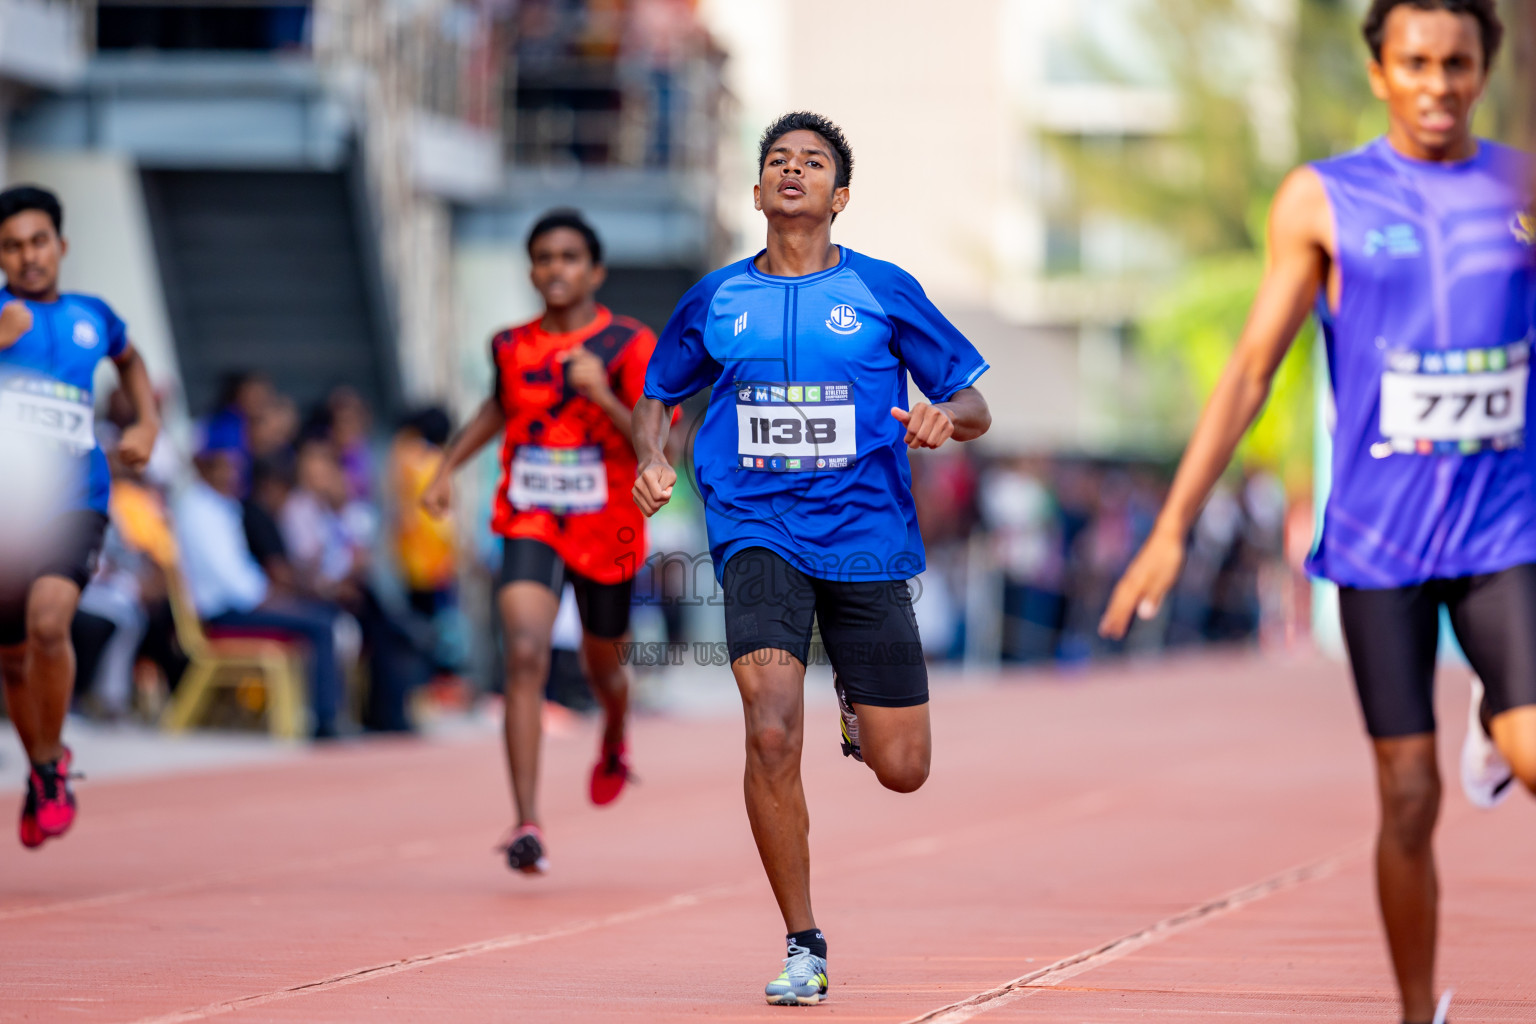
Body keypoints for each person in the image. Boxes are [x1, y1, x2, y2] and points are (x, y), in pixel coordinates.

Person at [1098, 4, 1534, 1023]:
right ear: (1380, 72)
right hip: (1381, 541)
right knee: (1410, 796)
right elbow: (1252, 368)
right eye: (1417, 63)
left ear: (1486, 69)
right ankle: (1419, 1008)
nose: (1439, 84)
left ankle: (1496, 711)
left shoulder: (1521, 188)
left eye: (1458, 64)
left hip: (1505, 526)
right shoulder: (1323, 199)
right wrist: (1170, 527)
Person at [632, 112, 991, 1006]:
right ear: (757, 192)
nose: (793, 172)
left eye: (813, 163)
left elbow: (972, 398)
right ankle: (803, 940)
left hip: (865, 537)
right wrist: (653, 454)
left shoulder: (883, 290)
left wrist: (949, 418)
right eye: (778, 162)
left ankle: (854, 701)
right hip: (755, 529)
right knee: (766, 725)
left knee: (904, 768)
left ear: (839, 196)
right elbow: (659, 390)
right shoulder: (715, 298)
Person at [421, 209, 665, 874]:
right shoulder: (508, 344)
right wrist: (446, 468)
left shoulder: (627, 342)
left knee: (603, 668)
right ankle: (526, 821)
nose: (555, 269)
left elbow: (653, 434)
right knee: (523, 652)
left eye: (568, 258)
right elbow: (496, 409)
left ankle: (614, 729)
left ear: (595, 271)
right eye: (544, 258)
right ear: (532, 270)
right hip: (530, 515)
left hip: (607, 521)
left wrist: (601, 394)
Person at [0, 185, 160, 848]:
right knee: (10, 661)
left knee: (47, 625)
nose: (27, 256)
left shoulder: (95, 316)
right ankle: (44, 768)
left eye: (38, 241)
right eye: (11, 246)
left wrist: (147, 422)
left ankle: (50, 762)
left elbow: (132, 363)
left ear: (60, 246)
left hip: (77, 500)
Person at [174, 445, 345, 738]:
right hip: (225, 613)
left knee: (321, 616)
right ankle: (326, 722)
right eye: (223, 467)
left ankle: (325, 715)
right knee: (320, 625)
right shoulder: (198, 510)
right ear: (204, 467)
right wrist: (265, 597)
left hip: (242, 603)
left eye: (235, 468)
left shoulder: (221, 507)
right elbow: (225, 575)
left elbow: (240, 571)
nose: (231, 475)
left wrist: (267, 594)